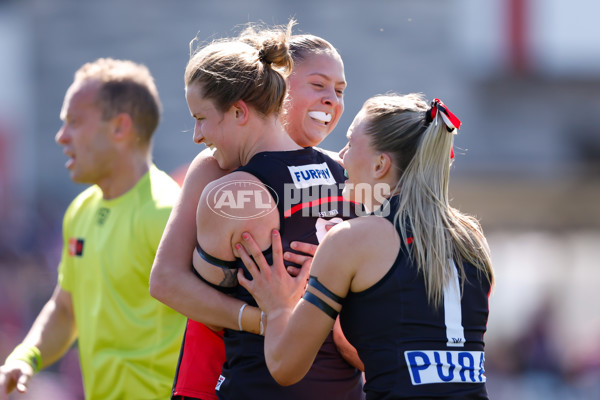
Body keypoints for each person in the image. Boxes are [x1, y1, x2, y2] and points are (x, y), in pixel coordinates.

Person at [149, 22, 363, 400]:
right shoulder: (218, 166)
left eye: (340, 90)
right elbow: (166, 280)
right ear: (278, 85)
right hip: (215, 374)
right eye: (317, 85)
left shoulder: (344, 171)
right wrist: (265, 317)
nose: (331, 99)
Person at [237, 93, 495, 399]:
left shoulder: (351, 239)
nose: (341, 155)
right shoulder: (472, 237)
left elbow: (284, 366)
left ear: (380, 164)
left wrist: (278, 306)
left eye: (350, 143)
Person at [0, 58, 186, 400]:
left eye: (74, 122)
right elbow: (66, 307)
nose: (61, 137)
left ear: (120, 128)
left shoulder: (168, 213)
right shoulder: (81, 210)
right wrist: (26, 357)